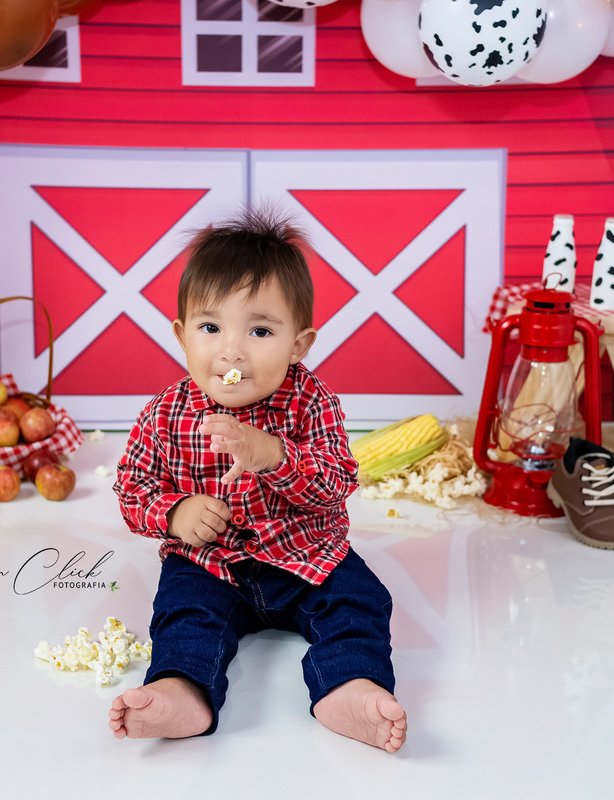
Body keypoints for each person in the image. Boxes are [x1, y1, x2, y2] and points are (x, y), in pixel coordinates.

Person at [108, 207, 407, 753]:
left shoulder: (310, 402)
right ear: (181, 336)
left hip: (305, 557)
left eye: (261, 330)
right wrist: (174, 513)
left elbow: (339, 479)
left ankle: (348, 685)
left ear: (299, 344)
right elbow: (132, 488)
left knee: (360, 599)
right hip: (212, 564)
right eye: (210, 327)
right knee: (183, 611)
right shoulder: (166, 414)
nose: (232, 350)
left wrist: (273, 455)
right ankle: (183, 690)